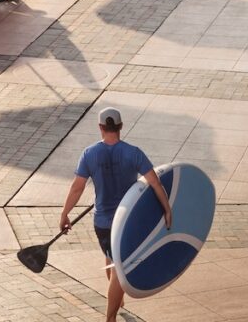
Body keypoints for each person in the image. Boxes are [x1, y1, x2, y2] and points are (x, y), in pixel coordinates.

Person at [60, 108, 173, 322]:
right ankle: (110, 317)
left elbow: (77, 187)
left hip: (101, 222)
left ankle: (117, 300)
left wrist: (65, 213)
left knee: (112, 260)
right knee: (119, 268)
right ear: (120, 126)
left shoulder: (89, 153)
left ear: (100, 127)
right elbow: (155, 182)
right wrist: (167, 209)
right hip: (126, 221)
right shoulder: (133, 152)